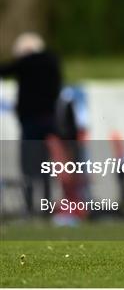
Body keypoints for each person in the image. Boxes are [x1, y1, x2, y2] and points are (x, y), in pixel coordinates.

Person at [0, 32, 62, 216]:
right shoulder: (52, 61)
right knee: (46, 166)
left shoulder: (25, 63)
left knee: (28, 166)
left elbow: (4, 70)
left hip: (30, 122)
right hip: (50, 121)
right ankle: (47, 204)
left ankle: (29, 205)